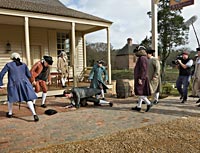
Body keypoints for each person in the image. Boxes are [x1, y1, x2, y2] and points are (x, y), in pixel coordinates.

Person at [0, 52, 39, 121]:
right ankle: (34, 114)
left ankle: (10, 113)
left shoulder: (9, 65)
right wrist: (32, 81)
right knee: (28, 99)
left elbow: (1, 74)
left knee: (10, 98)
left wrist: (1, 84)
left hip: (13, 84)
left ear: (12, 58)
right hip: (24, 83)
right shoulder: (23, 65)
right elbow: (29, 75)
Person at [132, 46, 152, 112]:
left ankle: (149, 103)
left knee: (140, 92)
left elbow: (144, 69)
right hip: (141, 77)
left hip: (141, 78)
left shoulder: (142, 58)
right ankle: (138, 106)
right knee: (141, 92)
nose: (135, 53)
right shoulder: (143, 58)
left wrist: (141, 78)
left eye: (136, 51)